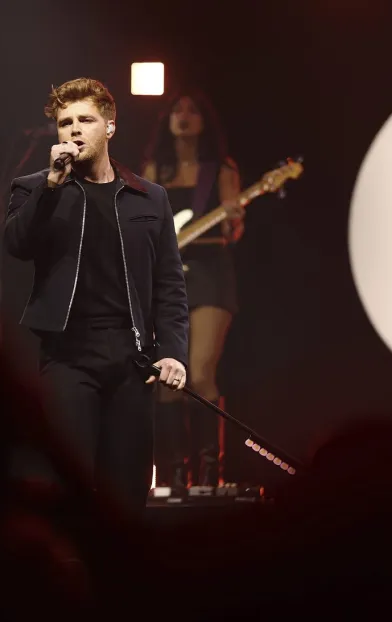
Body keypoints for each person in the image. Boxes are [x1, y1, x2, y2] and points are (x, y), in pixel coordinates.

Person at [4, 77, 189, 512]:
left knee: (126, 493)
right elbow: (16, 245)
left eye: (85, 120)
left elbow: (170, 284)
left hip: (132, 360)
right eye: (65, 122)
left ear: (109, 127)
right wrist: (51, 186)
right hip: (68, 356)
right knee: (67, 488)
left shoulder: (150, 197)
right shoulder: (34, 188)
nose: (73, 129)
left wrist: (174, 352)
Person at [142, 90, 243, 489]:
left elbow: (233, 231)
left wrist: (233, 218)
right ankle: (173, 473)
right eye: (176, 110)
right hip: (167, 276)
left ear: (204, 121)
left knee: (199, 372)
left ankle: (208, 472)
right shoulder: (155, 169)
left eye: (192, 111)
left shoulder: (220, 170)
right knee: (167, 377)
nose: (183, 116)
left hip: (210, 272)